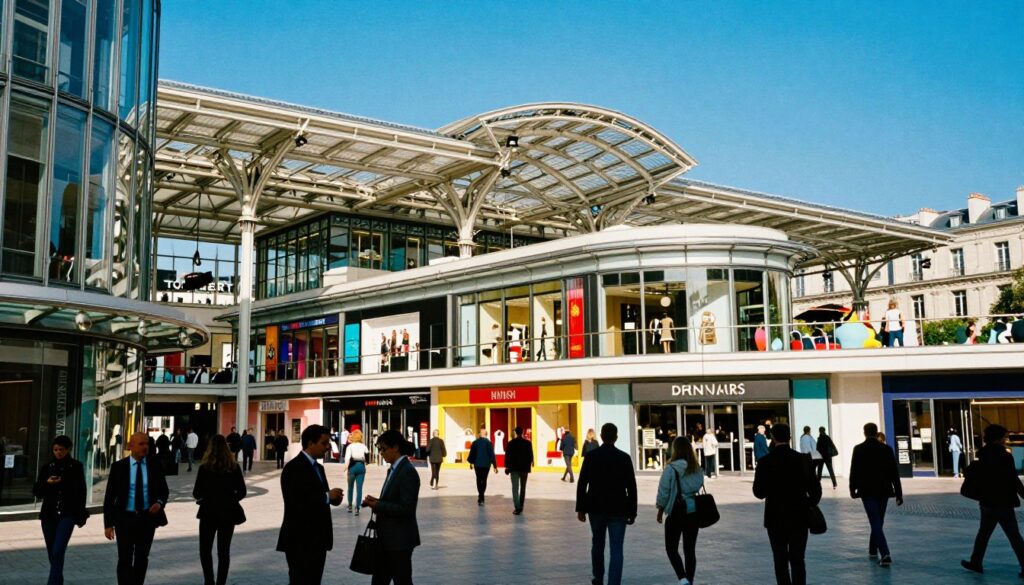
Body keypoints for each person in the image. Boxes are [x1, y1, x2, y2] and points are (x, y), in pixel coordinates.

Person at [752, 423, 821, 585]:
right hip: (799, 516)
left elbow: (758, 492)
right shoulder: (803, 460)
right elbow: (816, 491)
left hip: (775, 517)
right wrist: (807, 504)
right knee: (798, 559)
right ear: (790, 437)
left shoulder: (765, 462)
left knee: (780, 560)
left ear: (773, 438)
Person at [277, 425, 343, 585]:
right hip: (300, 539)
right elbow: (296, 501)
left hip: (318, 539)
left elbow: (319, 496)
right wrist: (327, 496)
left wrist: (333, 499)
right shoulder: (293, 468)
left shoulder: (318, 468)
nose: (327, 447)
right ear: (310, 443)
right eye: (324, 443)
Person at [103, 432, 169, 585]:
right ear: (130, 446)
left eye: (146, 443)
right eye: (141, 444)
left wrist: (159, 503)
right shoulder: (119, 467)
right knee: (124, 558)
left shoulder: (154, 465)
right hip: (125, 519)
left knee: (141, 557)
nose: (145, 447)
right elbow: (109, 498)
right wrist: (108, 524)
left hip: (146, 519)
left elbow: (163, 490)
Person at [576, 423, 638, 585]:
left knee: (597, 543)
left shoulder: (591, 456)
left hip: (596, 508)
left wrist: (581, 508)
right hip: (619, 509)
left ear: (602, 436)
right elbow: (631, 487)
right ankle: (613, 582)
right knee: (617, 548)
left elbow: (582, 483)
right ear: (616, 437)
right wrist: (633, 511)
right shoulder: (624, 458)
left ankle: (598, 577)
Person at [960, 424, 1024, 577]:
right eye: (1003, 437)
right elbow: (1013, 479)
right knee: (1014, 535)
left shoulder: (982, 455)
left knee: (983, 534)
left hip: (987, 503)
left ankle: (976, 562)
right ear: (998, 438)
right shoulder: (1005, 457)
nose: (1005, 440)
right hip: (1003, 502)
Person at [363, 430, 421, 585]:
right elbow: (393, 499)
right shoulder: (394, 469)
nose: (381, 453)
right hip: (387, 538)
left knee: (401, 580)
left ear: (395, 447)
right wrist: (376, 501)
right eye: (379, 449)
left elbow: (406, 508)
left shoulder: (407, 471)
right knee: (379, 579)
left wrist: (378, 505)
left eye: (383, 449)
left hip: (399, 540)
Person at [33, 435, 87, 585]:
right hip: (48, 514)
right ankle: (58, 580)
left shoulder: (76, 466)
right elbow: (37, 491)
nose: (58, 453)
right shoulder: (48, 467)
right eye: (55, 450)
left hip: (67, 513)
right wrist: (47, 483)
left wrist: (80, 514)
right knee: (52, 552)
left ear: (68, 449)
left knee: (58, 550)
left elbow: (81, 491)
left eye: (61, 450)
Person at [193, 434, 246, 585]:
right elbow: (242, 491)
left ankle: (209, 581)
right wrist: (230, 499)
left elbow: (197, 492)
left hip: (208, 512)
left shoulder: (204, 468)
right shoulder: (234, 467)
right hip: (228, 513)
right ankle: (221, 582)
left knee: (205, 550)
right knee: (224, 551)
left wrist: (207, 497)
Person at [849, 422, 903, 567]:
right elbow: (894, 472)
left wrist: (852, 488)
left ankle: (884, 553)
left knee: (875, 521)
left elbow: (854, 470)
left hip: (867, 491)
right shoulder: (886, 449)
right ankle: (873, 549)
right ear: (876, 432)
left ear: (864, 432)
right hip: (884, 490)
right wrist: (899, 493)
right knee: (878, 520)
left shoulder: (859, 449)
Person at [656, 436, 704, 585]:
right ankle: (690, 579)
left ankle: (682, 578)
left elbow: (664, 491)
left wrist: (660, 509)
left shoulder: (671, 468)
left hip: (676, 511)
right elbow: (698, 485)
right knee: (690, 550)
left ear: (675, 450)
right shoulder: (696, 468)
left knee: (671, 548)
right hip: (693, 511)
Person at [505, 426, 534, 515]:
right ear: (522, 432)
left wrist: (507, 467)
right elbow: (531, 456)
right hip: (524, 469)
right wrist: (530, 464)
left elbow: (507, 456)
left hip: (514, 469)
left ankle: (517, 507)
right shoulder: (528, 443)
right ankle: (521, 505)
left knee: (515, 488)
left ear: (515, 432)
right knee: (523, 488)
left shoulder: (510, 443)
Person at [468, 428, 498, 506]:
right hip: (486, 465)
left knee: (478, 479)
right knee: (484, 480)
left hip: (477, 465)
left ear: (480, 434)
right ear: (486, 434)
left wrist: (471, 463)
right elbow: (492, 455)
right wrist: (495, 466)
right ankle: (482, 497)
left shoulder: (475, 443)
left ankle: (480, 496)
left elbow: (472, 454)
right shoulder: (489, 443)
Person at [344, 429, 369, 515]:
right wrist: (365, 462)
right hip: (361, 466)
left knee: (350, 487)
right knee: (359, 488)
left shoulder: (350, 446)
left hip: (352, 466)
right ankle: (357, 507)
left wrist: (345, 468)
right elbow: (367, 458)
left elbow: (347, 458)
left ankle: (350, 506)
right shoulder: (364, 446)